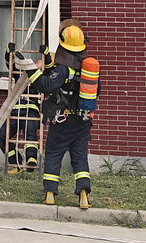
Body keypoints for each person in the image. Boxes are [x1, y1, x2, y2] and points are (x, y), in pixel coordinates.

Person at [22, 19, 99, 209]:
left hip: (63, 120)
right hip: (83, 120)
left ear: (63, 45)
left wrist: (30, 69)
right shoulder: (89, 68)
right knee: (79, 156)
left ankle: (50, 194)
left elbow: (47, 85)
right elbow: (97, 91)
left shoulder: (64, 69)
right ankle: (83, 195)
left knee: (54, 153)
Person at [0, 42, 52, 174]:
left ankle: (31, 159)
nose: (37, 61)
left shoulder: (42, 78)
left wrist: (47, 55)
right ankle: (16, 163)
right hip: (15, 111)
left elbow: (49, 68)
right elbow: (10, 65)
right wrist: (8, 53)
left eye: (39, 61)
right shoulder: (21, 75)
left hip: (31, 111)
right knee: (1, 136)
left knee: (30, 132)